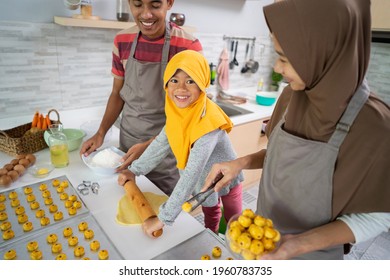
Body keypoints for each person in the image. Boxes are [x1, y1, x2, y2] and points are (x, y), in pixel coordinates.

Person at [202, 0, 390, 260]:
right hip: (263, 245)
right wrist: (240, 163)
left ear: (324, 52)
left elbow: (377, 217)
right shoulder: (293, 95)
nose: (278, 69)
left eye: (284, 58)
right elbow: (282, 156)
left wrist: (296, 245)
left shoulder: (375, 126)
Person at [80, 0, 202, 195]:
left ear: (169, 3)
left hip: (166, 150)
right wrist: (101, 132)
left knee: (161, 214)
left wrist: (151, 146)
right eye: (138, 4)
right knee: (127, 202)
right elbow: (117, 93)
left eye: (155, 5)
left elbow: (193, 112)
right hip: (127, 146)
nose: (146, 14)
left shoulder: (188, 46)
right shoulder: (122, 41)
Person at [118, 50, 244, 237]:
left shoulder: (208, 122)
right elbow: (160, 144)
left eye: (191, 80)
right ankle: (212, 239)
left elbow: (191, 173)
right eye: (174, 80)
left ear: (202, 84)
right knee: (211, 214)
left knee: (236, 222)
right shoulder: (178, 113)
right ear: (166, 84)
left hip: (227, 178)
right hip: (204, 182)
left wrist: (162, 218)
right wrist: (134, 170)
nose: (181, 88)